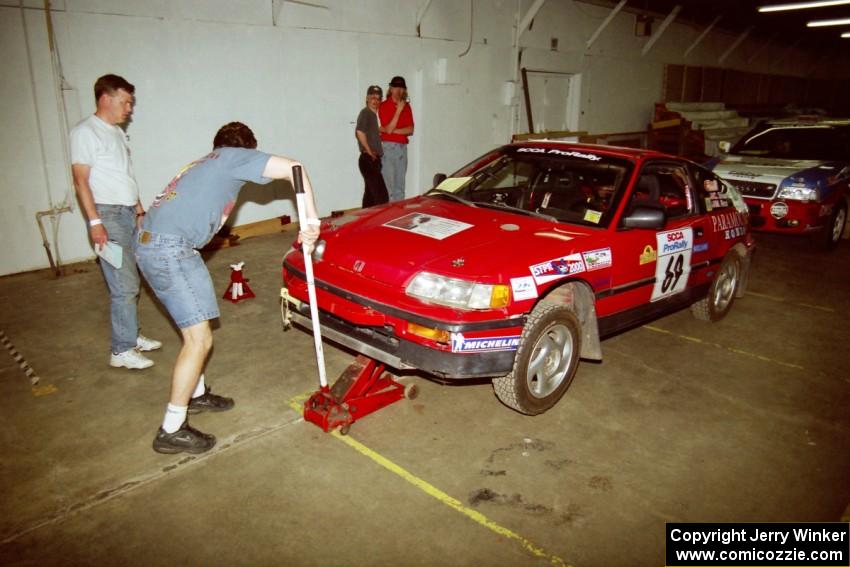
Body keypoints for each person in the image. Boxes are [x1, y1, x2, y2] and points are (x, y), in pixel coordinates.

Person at [134, 122, 320, 455]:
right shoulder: (234, 157)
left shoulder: (204, 162)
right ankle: (171, 429)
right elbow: (295, 168)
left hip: (157, 244)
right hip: (169, 249)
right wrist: (313, 222)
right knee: (199, 338)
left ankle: (196, 393)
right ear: (247, 149)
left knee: (194, 327)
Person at [70, 74, 162, 370]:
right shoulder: (86, 132)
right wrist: (94, 223)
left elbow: (125, 175)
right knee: (123, 284)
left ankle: (131, 335)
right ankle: (121, 350)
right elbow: (80, 181)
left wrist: (137, 209)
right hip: (107, 215)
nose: (129, 109)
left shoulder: (116, 132)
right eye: (125, 102)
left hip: (124, 213)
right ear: (105, 98)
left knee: (131, 278)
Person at [378, 76, 415, 202]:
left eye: (401, 88)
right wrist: (398, 111)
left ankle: (398, 216)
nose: (398, 91)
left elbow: (410, 130)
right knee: (390, 189)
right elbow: (388, 129)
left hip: (402, 149)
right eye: (396, 88)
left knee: (400, 188)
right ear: (391, 89)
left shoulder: (407, 106)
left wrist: (392, 131)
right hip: (389, 148)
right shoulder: (384, 106)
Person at [355, 85, 389, 207]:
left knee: (370, 196)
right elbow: (359, 131)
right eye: (372, 97)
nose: (375, 101)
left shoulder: (373, 116)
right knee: (382, 196)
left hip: (372, 159)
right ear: (367, 98)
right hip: (368, 159)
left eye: (378, 98)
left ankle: (364, 222)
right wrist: (369, 151)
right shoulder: (366, 113)